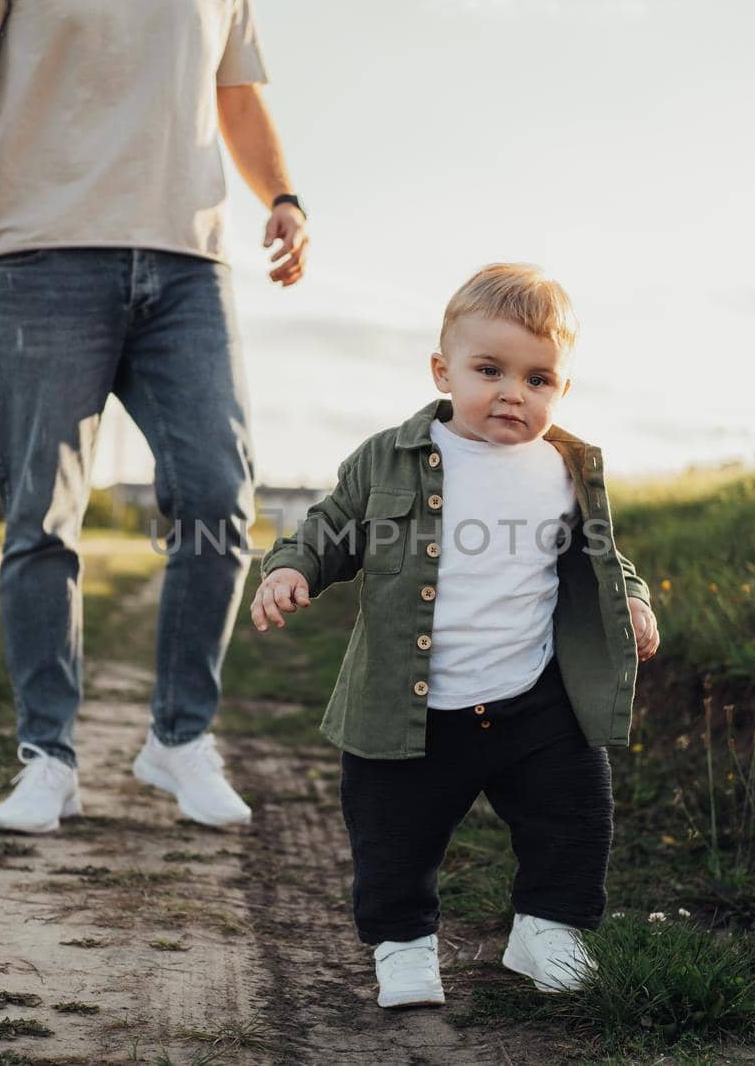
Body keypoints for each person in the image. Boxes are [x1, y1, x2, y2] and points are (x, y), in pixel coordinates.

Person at [0, 0, 308, 832]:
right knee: (41, 515)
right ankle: (47, 756)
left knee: (218, 497)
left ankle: (178, 737)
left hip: (191, 267)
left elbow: (235, 94)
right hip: (46, 257)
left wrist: (283, 194)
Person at [249, 264, 660, 1007]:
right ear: (444, 370)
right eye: (490, 369)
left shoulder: (566, 469)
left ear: (562, 390)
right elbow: (329, 527)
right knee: (394, 836)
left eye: (538, 378)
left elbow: (603, 555)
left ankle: (546, 929)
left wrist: (629, 597)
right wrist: (292, 569)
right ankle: (403, 945)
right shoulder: (390, 457)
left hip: (535, 698)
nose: (513, 392)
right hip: (413, 703)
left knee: (575, 814)